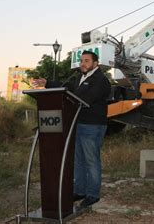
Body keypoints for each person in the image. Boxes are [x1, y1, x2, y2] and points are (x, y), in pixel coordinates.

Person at [35, 50, 111, 209]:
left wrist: (72, 97)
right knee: (79, 161)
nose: (83, 63)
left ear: (95, 63)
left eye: (86, 61)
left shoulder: (101, 80)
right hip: (77, 124)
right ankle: (80, 190)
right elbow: (65, 87)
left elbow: (87, 98)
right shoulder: (79, 77)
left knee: (91, 160)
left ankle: (92, 194)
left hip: (93, 126)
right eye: (81, 61)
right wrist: (47, 83)